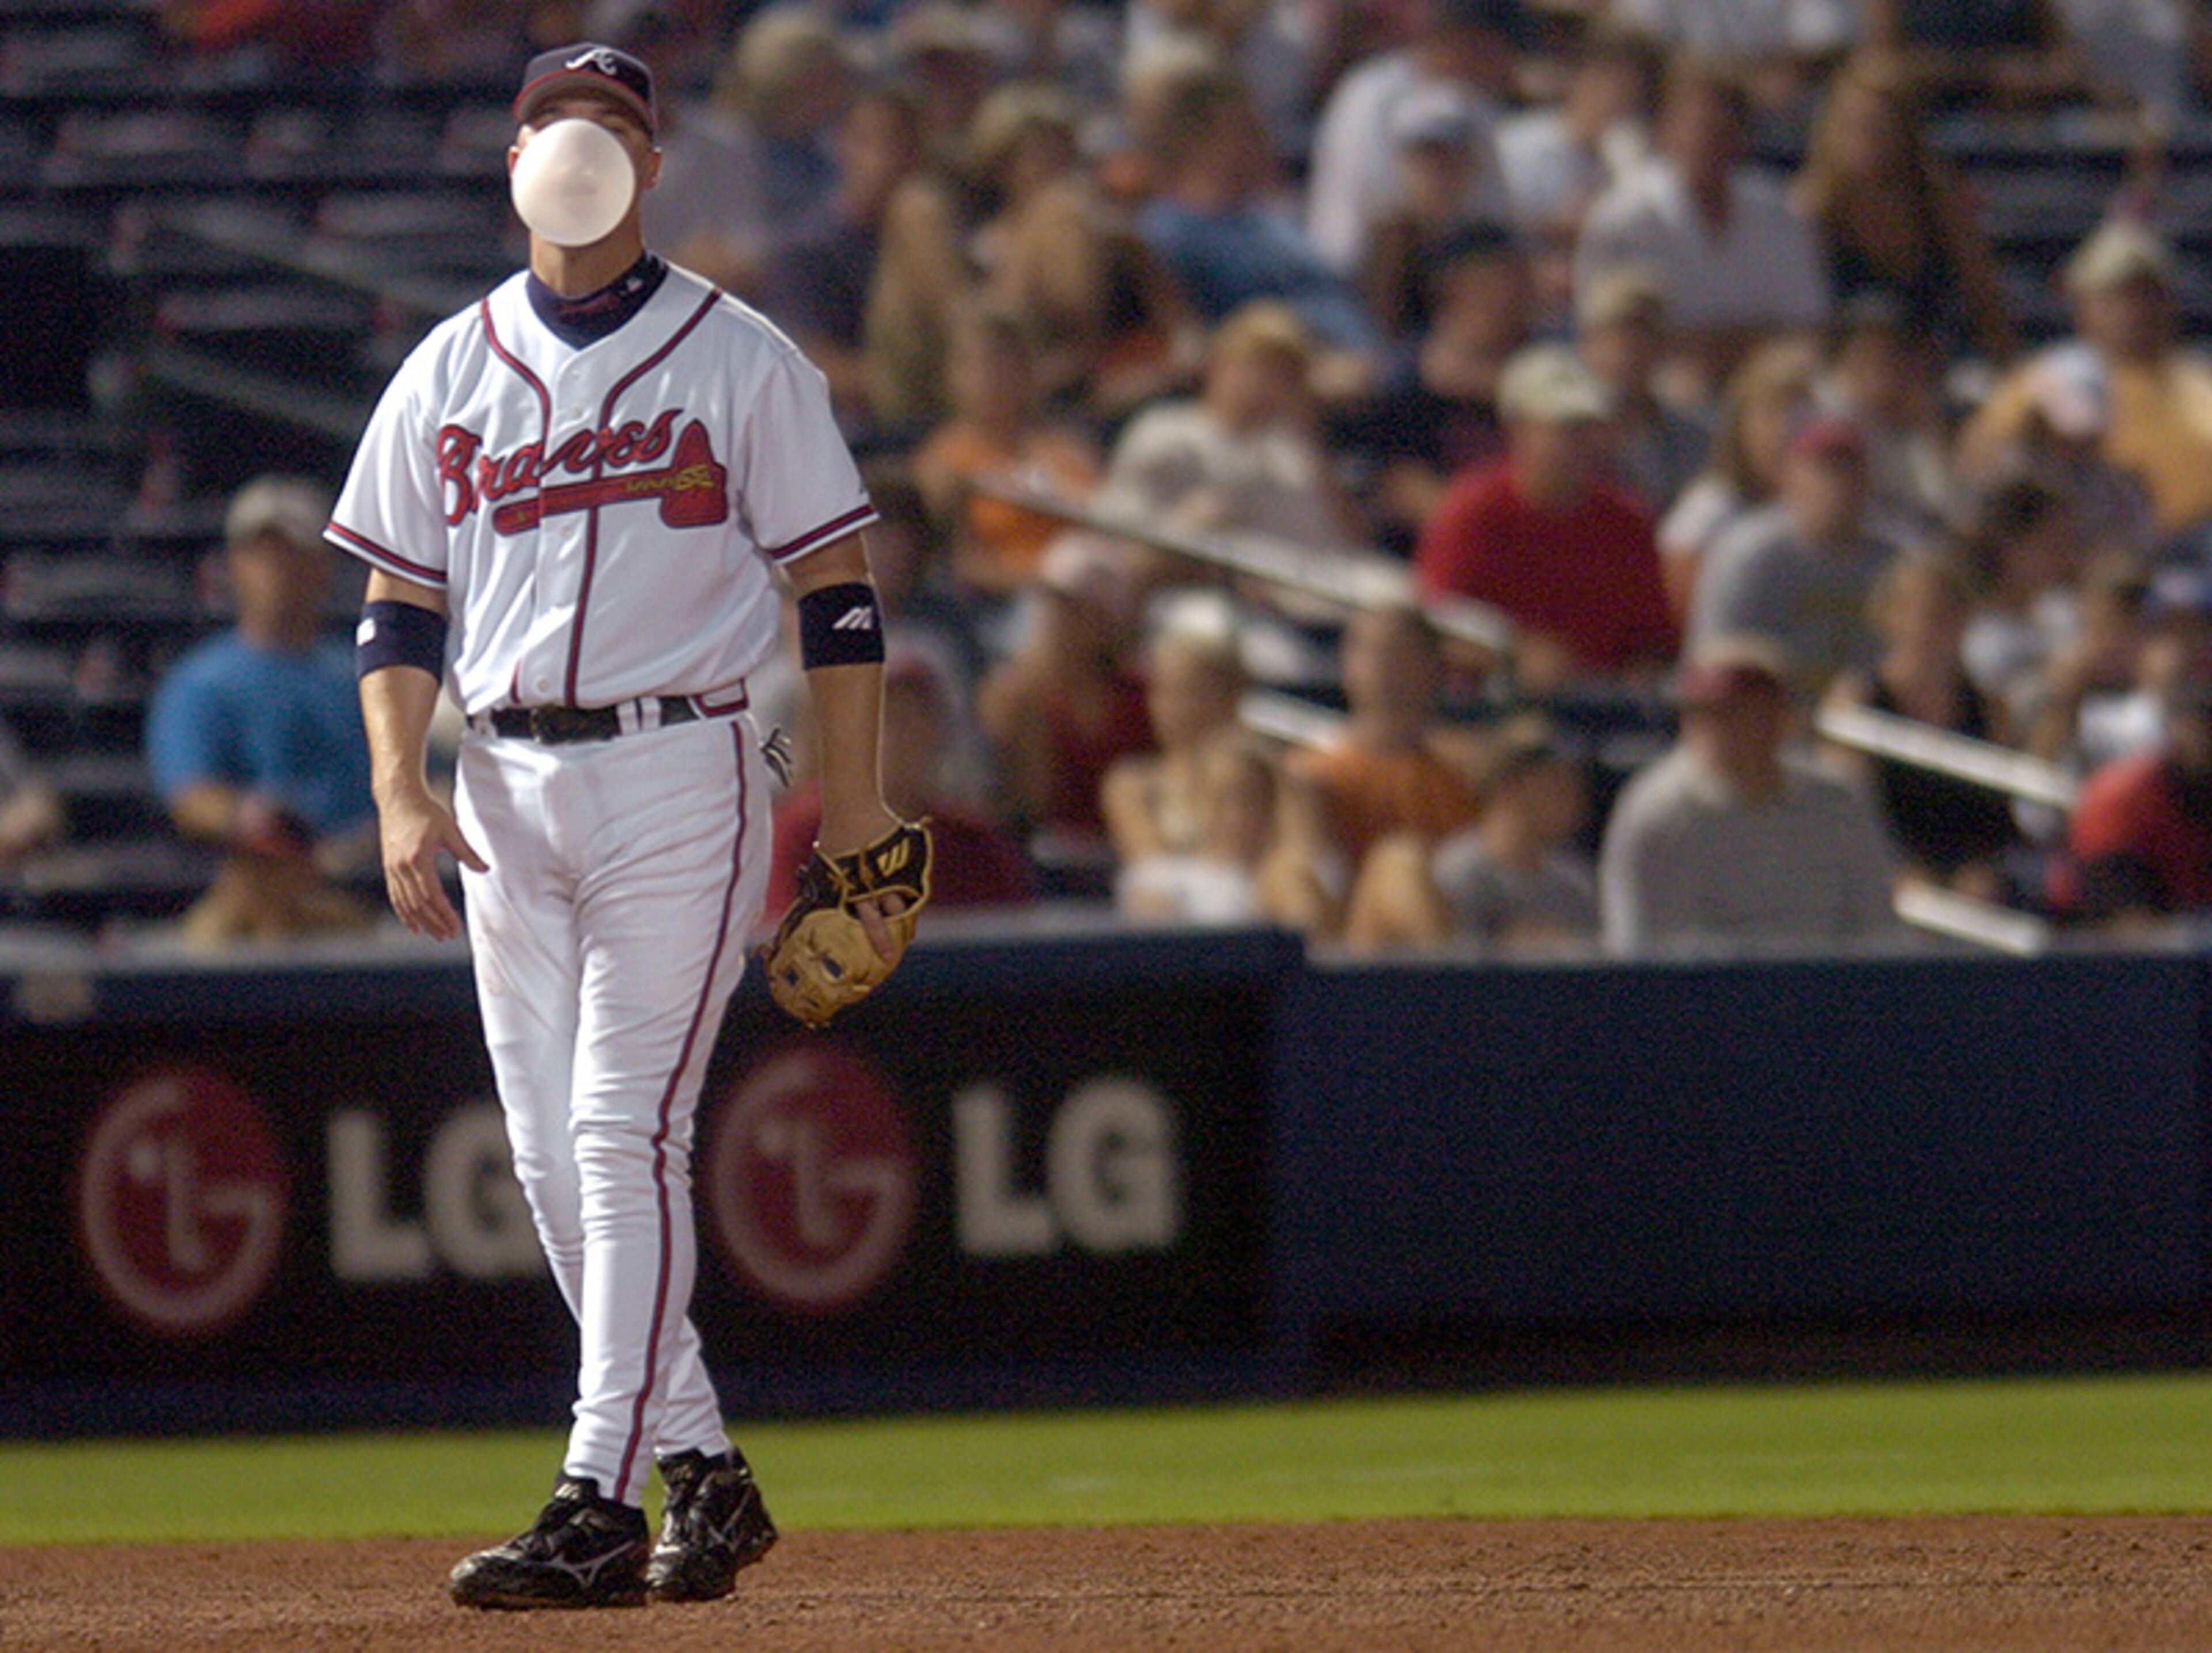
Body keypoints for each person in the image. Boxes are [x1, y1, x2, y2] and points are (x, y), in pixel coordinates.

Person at [326, 44, 911, 1609]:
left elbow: (837, 590)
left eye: (613, 124)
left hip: (680, 768)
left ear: (650, 166)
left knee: (617, 1132)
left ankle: (592, 1498)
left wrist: (854, 797)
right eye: (556, 120)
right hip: (501, 783)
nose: (582, 144)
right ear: (516, 155)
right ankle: (704, 1471)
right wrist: (398, 788)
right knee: (547, 1158)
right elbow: (395, 606)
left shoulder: (741, 356)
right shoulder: (449, 364)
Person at [145, 475, 376, 948]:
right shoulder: (200, 681)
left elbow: (420, 779)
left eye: (292, 553)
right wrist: (258, 823)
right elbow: (192, 799)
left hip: (365, 889)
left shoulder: (363, 675)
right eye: (260, 554)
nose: (276, 568)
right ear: (234, 566)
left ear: (323, 565)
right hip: (252, 891)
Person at [1599, 634, 1900, 955]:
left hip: (1834, 983)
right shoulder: (1657, 813)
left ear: (1783, 716)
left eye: (1747, 712)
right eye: (1711, 714)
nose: (1730, 729)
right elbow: (1646, 949)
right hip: (1707, 986)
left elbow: (1878, 929)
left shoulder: (1836, 804)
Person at [1414, 342, 1679, 692]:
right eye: (1566, 428)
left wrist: (1641, 675)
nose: (1582, 443)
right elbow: (1435, 628)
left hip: (1605, 709)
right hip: (1495, 704)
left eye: (1590, 427)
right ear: (1519, 429)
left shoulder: (1627, 520)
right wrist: (1512, 655)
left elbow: (1653, 637)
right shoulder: (1472, 513)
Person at [1574, 54, 1831, 396]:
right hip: (1652, 394)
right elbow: (1605, 338)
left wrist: (1708, 347)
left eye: (1721, 127)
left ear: (1742, 135)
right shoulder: (1622, 219)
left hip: (1767, 389)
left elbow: (1808, 328)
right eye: (1695, 125)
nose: (1706, 139)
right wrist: (1736, 341)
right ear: (1663, 130)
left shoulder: (1778, 214)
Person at [1957, 222, 2212, 552]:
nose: (2138, 308)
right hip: (2085, 552)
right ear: (2083, 304)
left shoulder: (2200, 379)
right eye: (2120, 294)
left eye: (2150, 293)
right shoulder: (2051, 378)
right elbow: (1981, 466)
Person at [1789, 52, 2019, 366]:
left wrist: (2008, 373)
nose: (1865, 140)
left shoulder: (1939, 205)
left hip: (1931, 367)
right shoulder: (1811, 210)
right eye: (1854, 126)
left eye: (1879, 127)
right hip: (1838, 369)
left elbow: (1986, 304)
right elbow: (1798, 323)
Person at [1818, 552, 2025, 898]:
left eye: (1950, 611)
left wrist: (1981, 871)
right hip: (1887, 868)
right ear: (1890, 616)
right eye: (1924, 612)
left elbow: (1998, 809)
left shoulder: (1989, 707)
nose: (1935, 625)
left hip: (1971, 873)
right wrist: (1897, 871)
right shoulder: (1858, 700)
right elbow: (1848, 805)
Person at [1341, 711, 1598, 954]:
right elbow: (1451, 964)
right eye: (1558, 783)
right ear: (1512, 787)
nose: (1575, 797)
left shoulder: (1575, 883)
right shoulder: (1456, 872)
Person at [1688, 412, 1898, 699]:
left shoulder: (1892, 561)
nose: (1837, 484)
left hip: (1861, 717)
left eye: (1848, 469)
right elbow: (1713, 656)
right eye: (1822, 470)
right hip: (1763, 713)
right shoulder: (1750, 554)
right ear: (1789, 476)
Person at [2051, 639, 2212, 926]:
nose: (2202, 741)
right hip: (2100, 929)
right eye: (2198, 728)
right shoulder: (2125, 793)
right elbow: (2113, 895)